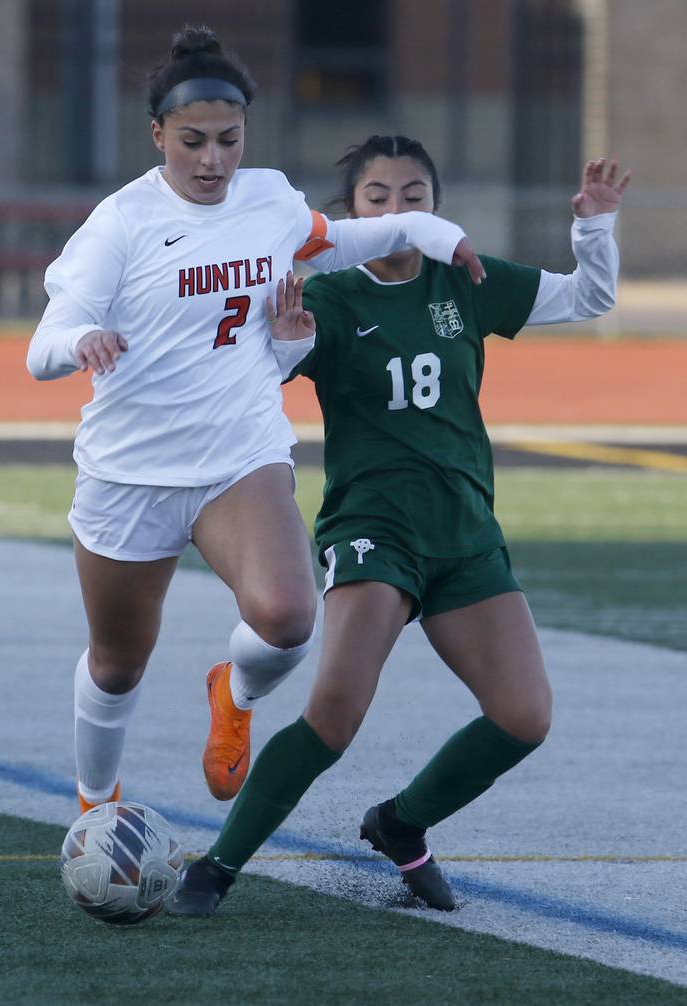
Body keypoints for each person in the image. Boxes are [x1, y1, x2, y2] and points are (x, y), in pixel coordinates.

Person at [169, 136, 632, 916]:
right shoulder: (330, 295)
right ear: (349, 216)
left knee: (525, 716)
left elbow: (588, 299)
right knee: (335, 717)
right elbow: (261, 371)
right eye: (376, 198)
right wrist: (285, 348)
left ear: (433, 208)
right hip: (374, 531)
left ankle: (400, 821)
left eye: (413, 196)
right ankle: (214, 869)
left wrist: (594, 228)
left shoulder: (464, 279)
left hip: (465, 533)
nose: (395, 211)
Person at [27, 33, 485, 818]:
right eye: (193, 141)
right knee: (116, 663)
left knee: (285, 619)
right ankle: (96, 802)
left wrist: (435, 233)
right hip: (131, 469)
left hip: (239, 452)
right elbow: (42, 349)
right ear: (157, 135)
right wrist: (81, 341)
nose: (212, 160)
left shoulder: (268, 197)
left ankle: (232, 693)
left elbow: (342, 240)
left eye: (229, 141)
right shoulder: (121, 224)